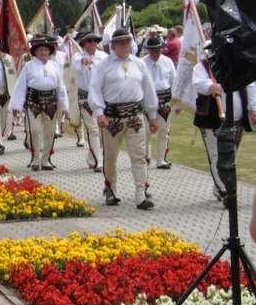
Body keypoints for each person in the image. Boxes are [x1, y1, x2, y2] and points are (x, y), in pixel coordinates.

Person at [89, 28, 159, 210]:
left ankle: (140, 194)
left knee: (139, 156)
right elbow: (94, 90)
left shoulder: (139, 64)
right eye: (121, 43)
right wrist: (99, 113)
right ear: (113, 46)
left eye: (127, 42)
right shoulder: (103, 65)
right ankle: (111, 189)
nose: (125, 46)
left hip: (135, 116)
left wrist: (152, 116)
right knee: (111, 157)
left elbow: (149, 90)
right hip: (111, 118)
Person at [193, 41, 256, 201]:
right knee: (217, 155)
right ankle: (225, 191)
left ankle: (220, 187)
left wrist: (255, 107)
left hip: (236, 121)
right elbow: (197, 81)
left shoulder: (238, 67)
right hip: (212, 120)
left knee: (232, 156)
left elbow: (250, 87)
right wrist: (210, 86)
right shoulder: (203, 66)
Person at [9, 35, 69, 171]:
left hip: (51, 105)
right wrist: (17, 105)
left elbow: (61, 87)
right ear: (35, 52)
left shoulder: (54, 67)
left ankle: (46, 160)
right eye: (41, 50)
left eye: (46, 50)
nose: (44, 52)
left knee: (49, 132)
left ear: (49, 52)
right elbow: (20, 86)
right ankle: (35, 158)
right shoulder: (28, 66)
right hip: (33, 104)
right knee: (34, 130)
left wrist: (65, 106)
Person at [72, 31, 108, 173]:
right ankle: (99, 161)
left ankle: (91, 158)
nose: (92, 43)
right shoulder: (78, 56)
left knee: (100, 130)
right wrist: (83, 60)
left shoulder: (103, 57)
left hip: (101, 97)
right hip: (85, 98)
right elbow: (75, 62)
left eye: (94, 41)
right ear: (84, 44)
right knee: (92, 129)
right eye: (89, 41)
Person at [142, 36, 177, 169]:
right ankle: (146, 156)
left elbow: (174, 80)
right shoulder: (142, 63)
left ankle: (161, 159)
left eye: (158, 50)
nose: (155, 54)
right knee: (146, 131)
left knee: (164, 131)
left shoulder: (168, 62)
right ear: (148, 51)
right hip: (148, 101)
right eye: (153, 51)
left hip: (165, 101)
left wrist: (175, 101)